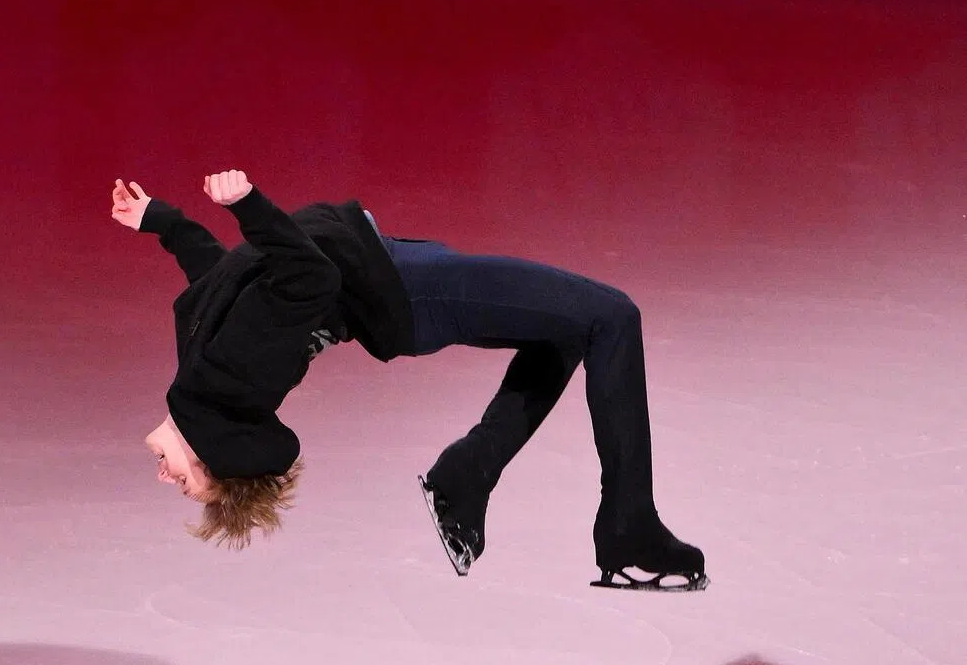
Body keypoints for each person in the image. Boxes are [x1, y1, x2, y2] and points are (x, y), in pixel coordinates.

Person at [112, 170, 707, 592]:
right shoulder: (233, 380)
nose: (166, 476)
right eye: (187, 482)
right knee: (612, 316)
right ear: (216, 454)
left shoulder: (202, 371)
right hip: (412, 293)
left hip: (397, 273)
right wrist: (248, 206)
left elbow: (219, 276)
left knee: (567, 329)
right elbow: (308, 278)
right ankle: (628, 527)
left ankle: (467, 476)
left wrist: (161, 222)